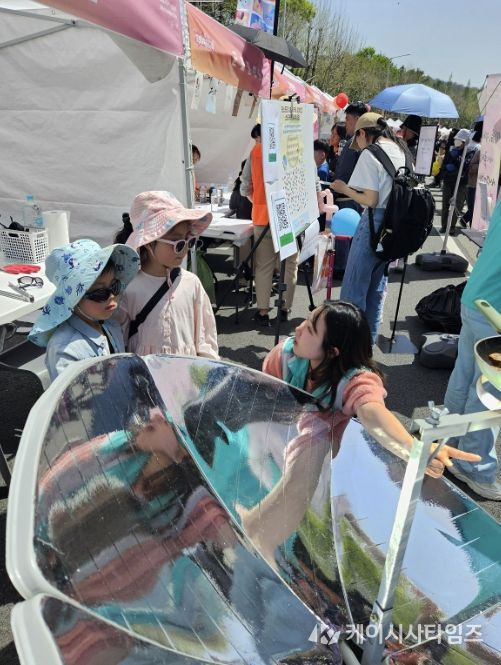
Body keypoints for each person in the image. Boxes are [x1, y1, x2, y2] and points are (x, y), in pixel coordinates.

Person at [241, 302, 480, 560]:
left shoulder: (356, 380)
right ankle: (256, 527)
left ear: (332, 352)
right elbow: (262, 402)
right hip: (281, 436)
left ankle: (261, 538)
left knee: (309, 466)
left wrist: (413, 447)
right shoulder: (284, 357)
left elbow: (373, 413)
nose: (298, 329)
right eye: (306, 321)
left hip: (325, 459)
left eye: (310, 329)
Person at [331, 112, 408, 343]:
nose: (358, 144)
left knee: (354, 289)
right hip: (395, 224)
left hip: (374, 222)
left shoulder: (371, 153)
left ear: (363, 133)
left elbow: (371, 200)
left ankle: (349, 349)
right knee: (376, 289)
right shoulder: (401, 149)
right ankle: (367, 346)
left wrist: (343, 188)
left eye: (358, 138)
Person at [116, 190, 219, 358]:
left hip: (186, 370)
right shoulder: (129, 288)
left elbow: (205, 336)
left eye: (189, 240)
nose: (184, 249)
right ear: (149, 242)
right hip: (145, 371)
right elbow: (118, 341)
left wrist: (208, 366)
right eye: (177, 243)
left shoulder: (191, 283)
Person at [444, 198, 501, 500]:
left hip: (476, 297)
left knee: (464, 378)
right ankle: (474, 467)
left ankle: (449, 446)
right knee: (489, 394)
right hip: (495, 313)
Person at [28, 239, 139, 382]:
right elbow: (73, 395)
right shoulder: (65, 350)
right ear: (74, 298)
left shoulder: (111, 325)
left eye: (115, 286)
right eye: (100, 292)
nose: (112, 295)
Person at [240, 123, 298, 326]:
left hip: (262, 216)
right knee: (289, 265)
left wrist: (257, 201)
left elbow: (244, 186)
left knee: (263, 265)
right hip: (288, 217)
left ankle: (263, 311)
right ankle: (284, 308)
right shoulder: (293, 145)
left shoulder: (255, 152)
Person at [330, 101, 368, 212]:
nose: (345, 123)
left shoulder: (354, 143)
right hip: (357, 200)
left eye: (347, 119)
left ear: (357, 119)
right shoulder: (365, 142)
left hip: (347, 201)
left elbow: (343, 174)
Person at [439, 128, 475, 235]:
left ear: (465, 142)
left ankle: (452, 226)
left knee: (457, 205)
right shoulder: (451, 151)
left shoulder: (470, 153)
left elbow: (465, 169)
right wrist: (446, 169)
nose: (457, 142)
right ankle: (444, 226)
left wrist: (456, 162)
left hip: (461, 184)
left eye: (459, 140)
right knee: (445, 204)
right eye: (456, 140)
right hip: (448, 181)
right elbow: (444, 166)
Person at [461, 120, 483, 227]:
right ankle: (466, 221)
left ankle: (466, 221)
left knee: (480, 208)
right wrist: (483, 166)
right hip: (474, 184)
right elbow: (471, 166)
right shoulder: (479, 149)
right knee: (474, 207)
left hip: (486, 184)